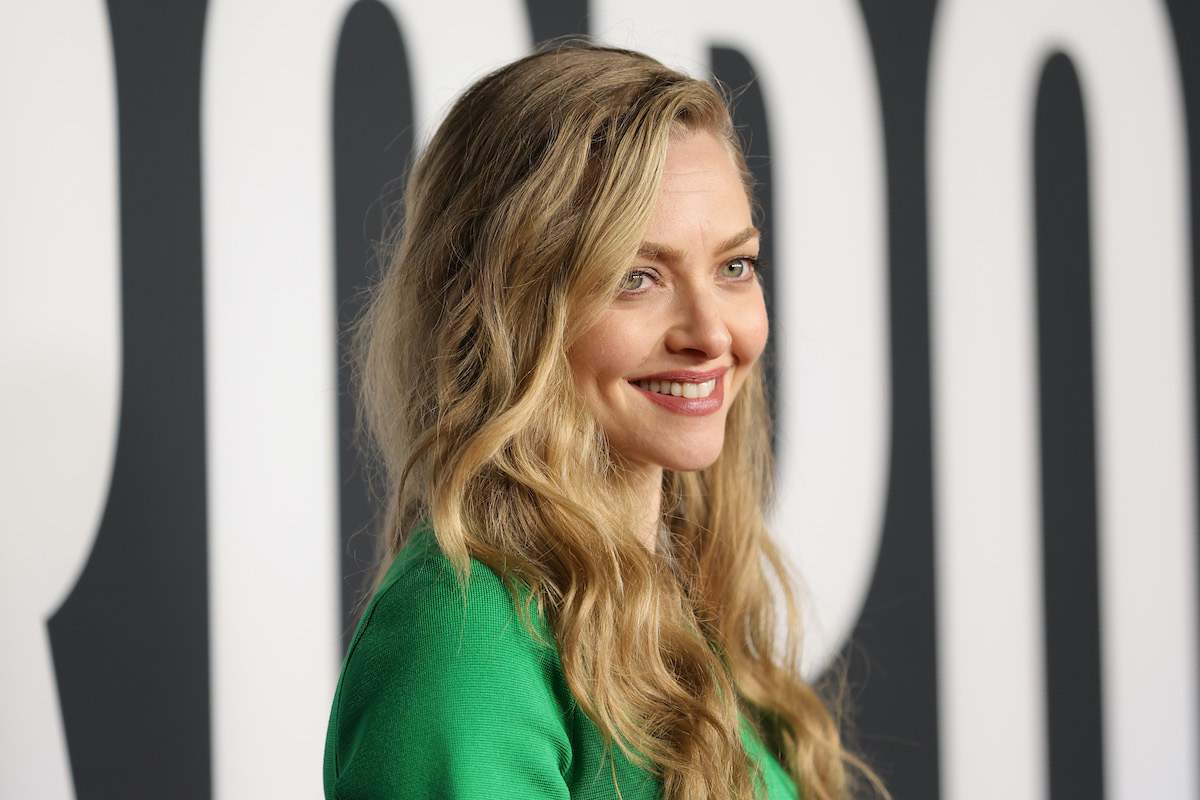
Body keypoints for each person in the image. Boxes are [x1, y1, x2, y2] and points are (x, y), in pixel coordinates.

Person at [323, 43, 882, 800]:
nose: (712, 334)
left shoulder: (690, 617)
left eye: (734, 267)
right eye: (636, 277)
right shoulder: (467, 633)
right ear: (506, 314)